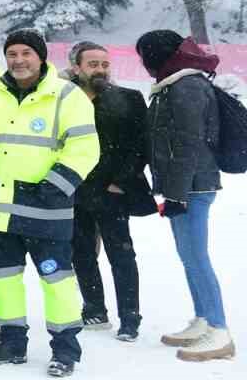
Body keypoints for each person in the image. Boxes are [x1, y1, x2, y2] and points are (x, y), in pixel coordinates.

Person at [0, 30, 99, 376]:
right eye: (12, 53)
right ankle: (12, 343)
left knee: (56, 281)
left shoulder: (66, 96)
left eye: (26, 53)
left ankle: (65, 349)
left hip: (46, 208)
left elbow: (85, 147)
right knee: (4, 280)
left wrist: (55, 185)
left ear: (41, 57)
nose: (19, 60)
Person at [138, 31, 234, 361]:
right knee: (188, 256)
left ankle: (220, 331)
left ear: (158, 55)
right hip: (183, 187)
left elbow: (188, 144)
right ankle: (203, 319)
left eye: (145, 55)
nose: (143, 63)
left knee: (197, 257)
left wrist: (177, 194)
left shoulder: (187, 86)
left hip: (195, 186)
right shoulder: (172, 86)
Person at [65, 41, 155, 340]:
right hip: (74, 189)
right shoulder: (62, 99)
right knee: (81, 252)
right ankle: (94, 309)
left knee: (122, 254)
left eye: (104, 64)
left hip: (112, 191)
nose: (100, 69)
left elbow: (141, 146)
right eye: (92, 64)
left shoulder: (127, 98)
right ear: (76, 67)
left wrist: (121, 181)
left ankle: (130, 317)